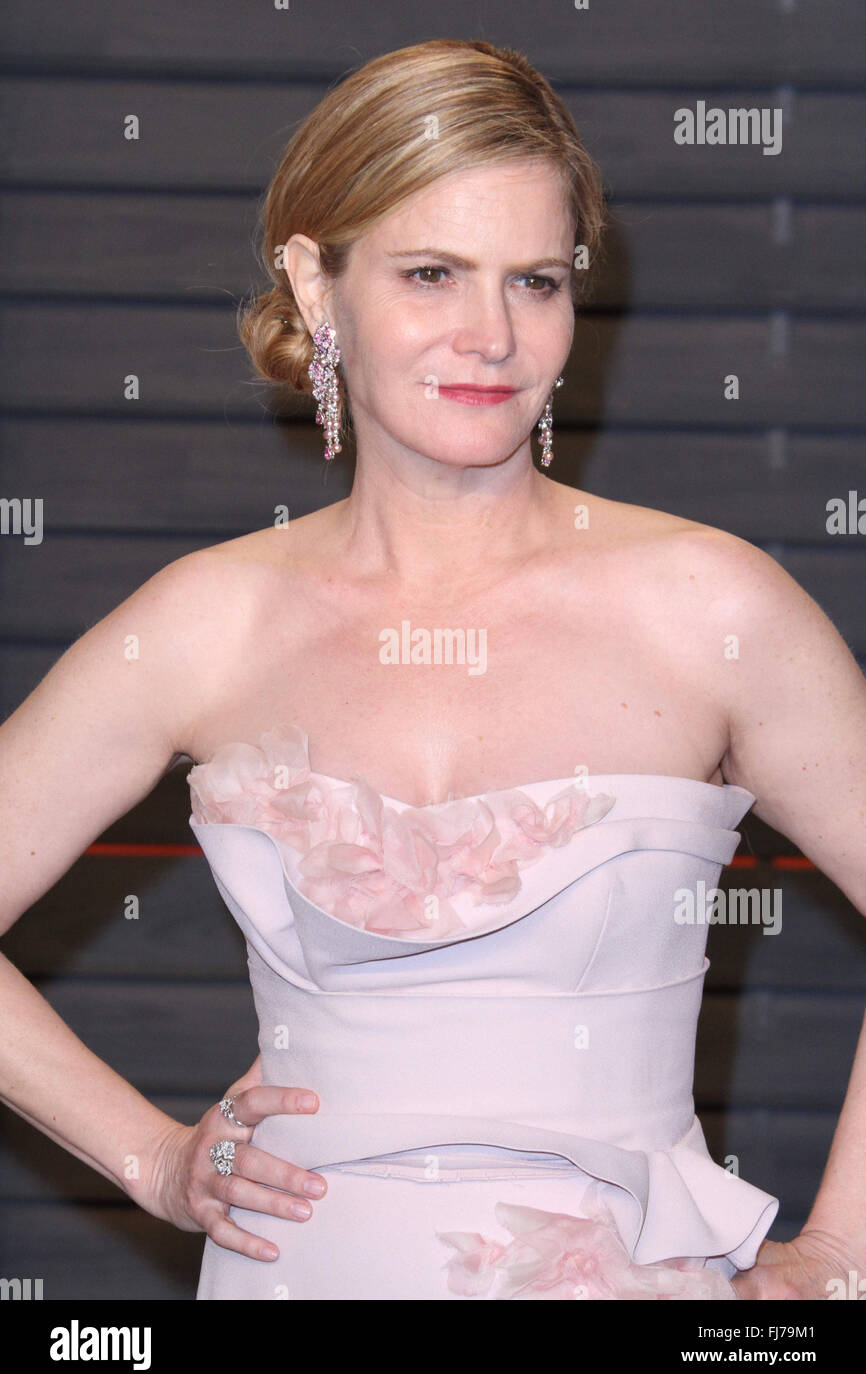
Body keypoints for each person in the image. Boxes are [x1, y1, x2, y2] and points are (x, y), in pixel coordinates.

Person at [1, 38, 864, 1302]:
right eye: (430, 273)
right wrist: (151, 1158)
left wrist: (838, 1257)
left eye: (533, 282)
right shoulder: (207, 622)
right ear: (316, 284)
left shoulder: (709, 607)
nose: (490, 336)